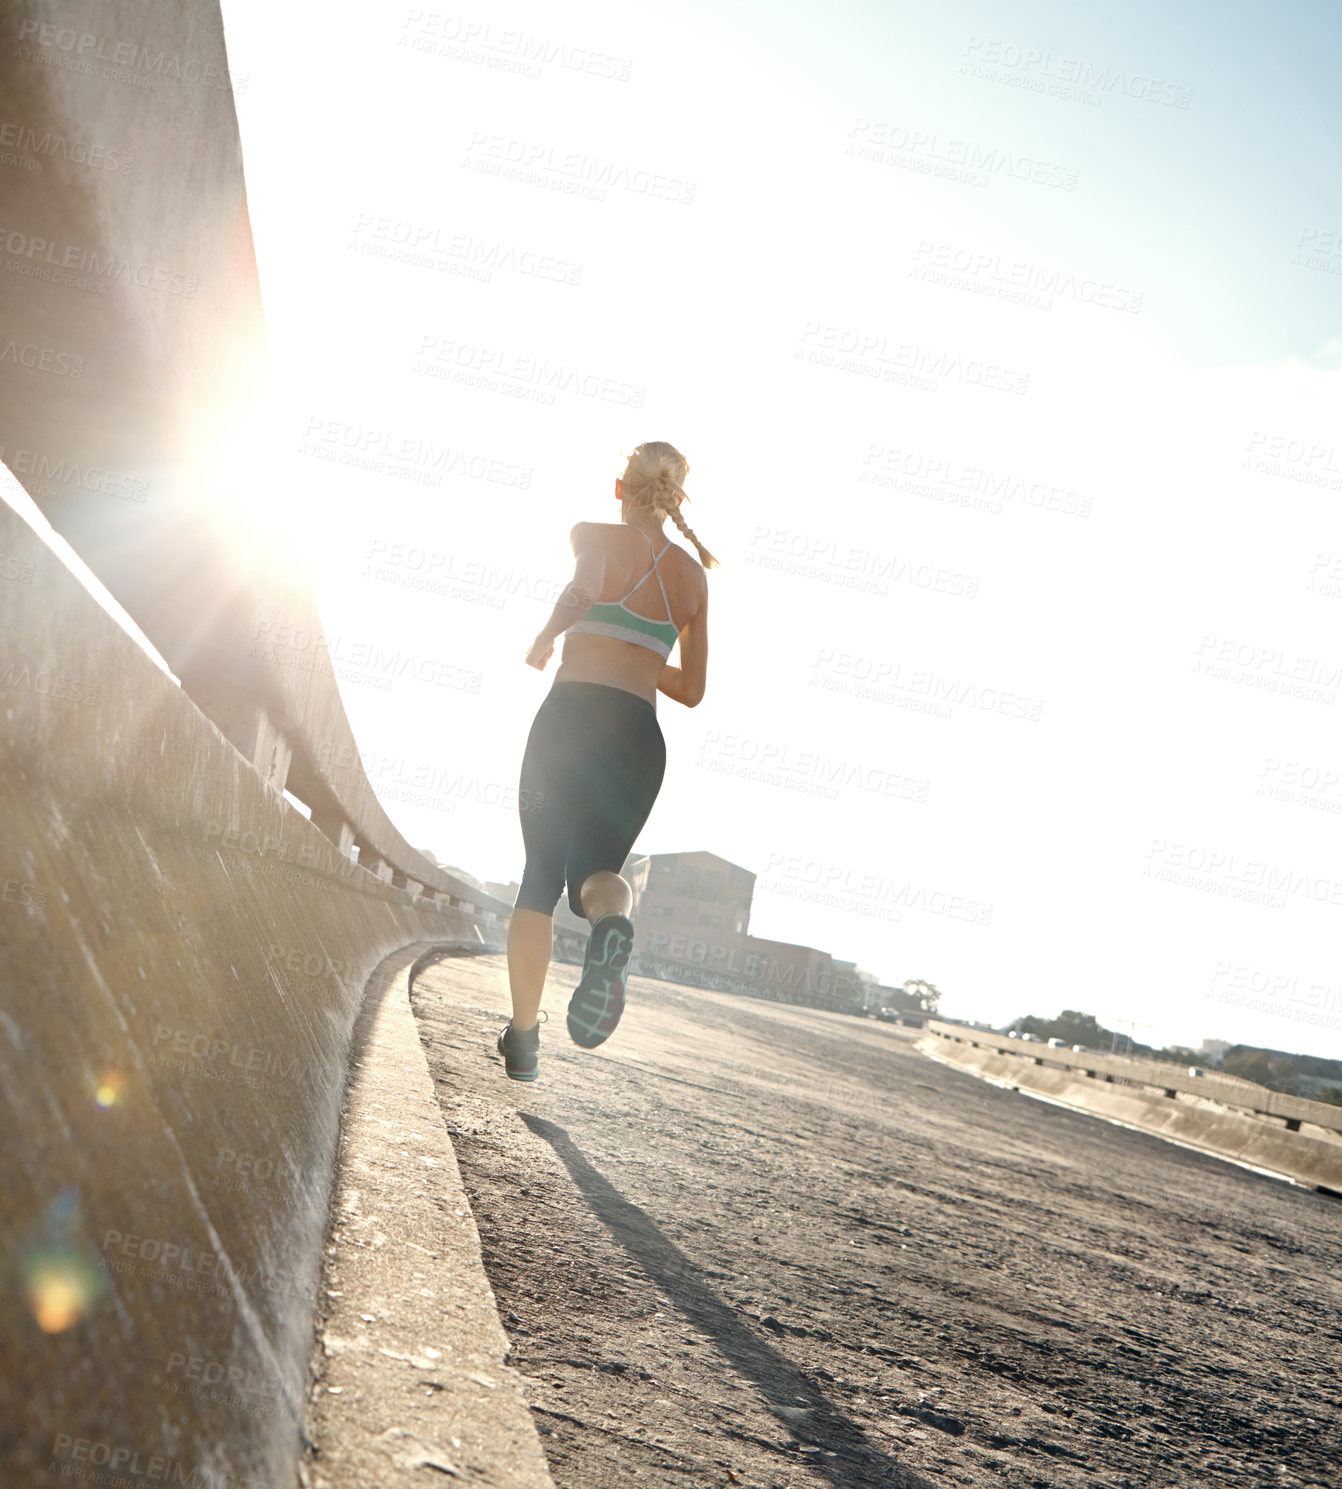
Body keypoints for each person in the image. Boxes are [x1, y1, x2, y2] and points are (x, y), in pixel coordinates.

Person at [498, 440, 716, 1081]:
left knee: (539, 876)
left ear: (619, 489)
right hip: (638, 737)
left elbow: (583, 589)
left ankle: (525, 1037)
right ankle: (612, 926)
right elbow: (694, 691)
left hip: (571, 720)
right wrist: (645, 655)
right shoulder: (693, 578)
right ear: (677, 502)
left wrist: (545, 638)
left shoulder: (592, 533)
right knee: (597, 872)